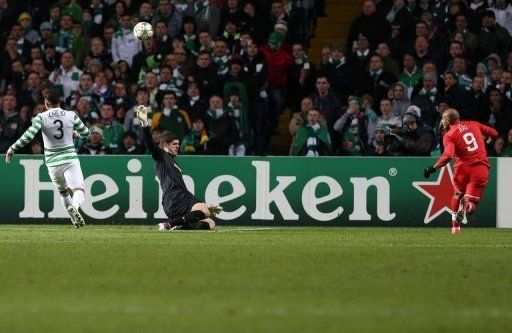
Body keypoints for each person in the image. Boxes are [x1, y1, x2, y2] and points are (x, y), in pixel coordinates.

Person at [5, 90, 90, 228]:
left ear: (46, 104)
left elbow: (28, 136)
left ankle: (74, 219)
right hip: (69, 159)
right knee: (78, 189)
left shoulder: (41, 117)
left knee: (63, 192)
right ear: (60, 103)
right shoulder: (71, 115)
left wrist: (12, 148)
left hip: (52, 163)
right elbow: (86, 133)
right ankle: (75, 207)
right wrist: (75, 133)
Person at [136, 105, 222, 231]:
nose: (177, 146)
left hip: (181, 197)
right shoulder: (161, 155)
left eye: (178, 144)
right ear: (165, 145)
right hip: (175, 198)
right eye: (174, 144)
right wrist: (144, 124)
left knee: (210, 224)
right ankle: (170, 224)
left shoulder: (172, 161)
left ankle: (179, 224)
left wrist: (201, 207)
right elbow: (150, 144)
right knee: (205, 213)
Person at [423, 109, 498, 234]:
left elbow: (448, 155)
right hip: (480, 169)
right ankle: (466, 207)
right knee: (471, 204)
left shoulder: (449, 135)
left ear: (447, 121)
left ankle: (455, 227)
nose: (442, 121)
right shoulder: (474, 124)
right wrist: (487, 138)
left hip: (462, 170)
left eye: (443, 119)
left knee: (457, 195)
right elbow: (495, 133)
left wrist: (434, 167)